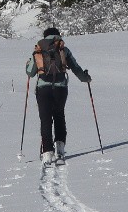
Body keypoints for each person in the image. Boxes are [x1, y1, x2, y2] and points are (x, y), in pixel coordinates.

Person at [26, 26, 91, 164]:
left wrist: (28, 65)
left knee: (45, 120)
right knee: (59, 116)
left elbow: (30, 72)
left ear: (45, 36)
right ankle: (60, 150)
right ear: (57, 36)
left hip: (43, 89)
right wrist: (86, 79)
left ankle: (47, 153)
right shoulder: (63, 49)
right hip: (60, 89)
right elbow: (76, 68)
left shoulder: (38, 50)